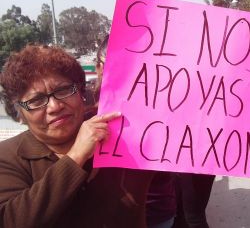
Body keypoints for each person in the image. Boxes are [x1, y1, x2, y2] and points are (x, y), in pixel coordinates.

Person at [0, 45, 153, 228]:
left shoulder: (125, 131)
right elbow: (12, 221)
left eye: (63, 90)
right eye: (36, 100)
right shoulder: (7, 157)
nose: (55, 106)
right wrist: (76, 156)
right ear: (20, 114)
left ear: (81, 93)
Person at [95, 35, 177, 228]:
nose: (118, 72)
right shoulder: (82, 114)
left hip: (157, 211)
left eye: (126, 65)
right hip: (109, 214)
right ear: (98, 67)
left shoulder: (164, 106)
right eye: (110, 65)